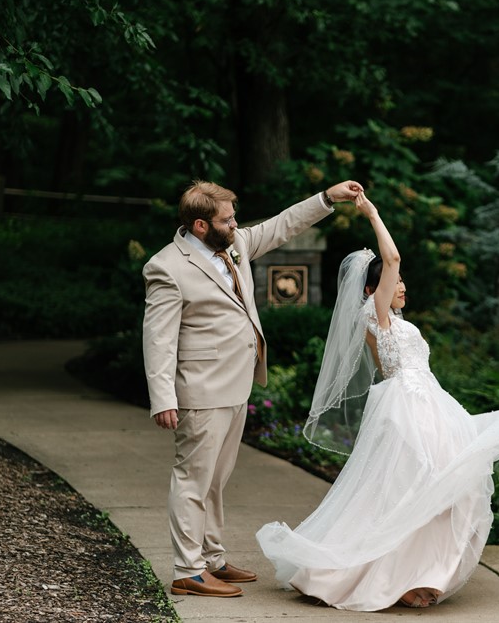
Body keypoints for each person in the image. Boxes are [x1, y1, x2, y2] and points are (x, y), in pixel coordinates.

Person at [256, 193, 499, 611]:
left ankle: (420, 575)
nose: (401, 285)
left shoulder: (393, 321)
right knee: (418, 489)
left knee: (442, 490)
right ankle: (388, 576)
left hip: (430, 404)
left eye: (399, 283)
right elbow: (392, 259)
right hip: (408, 409)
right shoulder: (372, 315)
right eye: (393, 282)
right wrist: (373, 214)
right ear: (372, 288)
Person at [143, 179, 363, 598]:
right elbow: (157, 340)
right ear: (200, 225)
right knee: (193, 479)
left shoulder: (235, 245)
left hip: (236, 384)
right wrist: (163, 399)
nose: (236, 223)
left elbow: (282, 225)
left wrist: (327, 198)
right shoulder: (166, 266)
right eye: (227, 219)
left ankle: (212, 560)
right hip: (200, 390)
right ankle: (188, 571)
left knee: (216, 481)